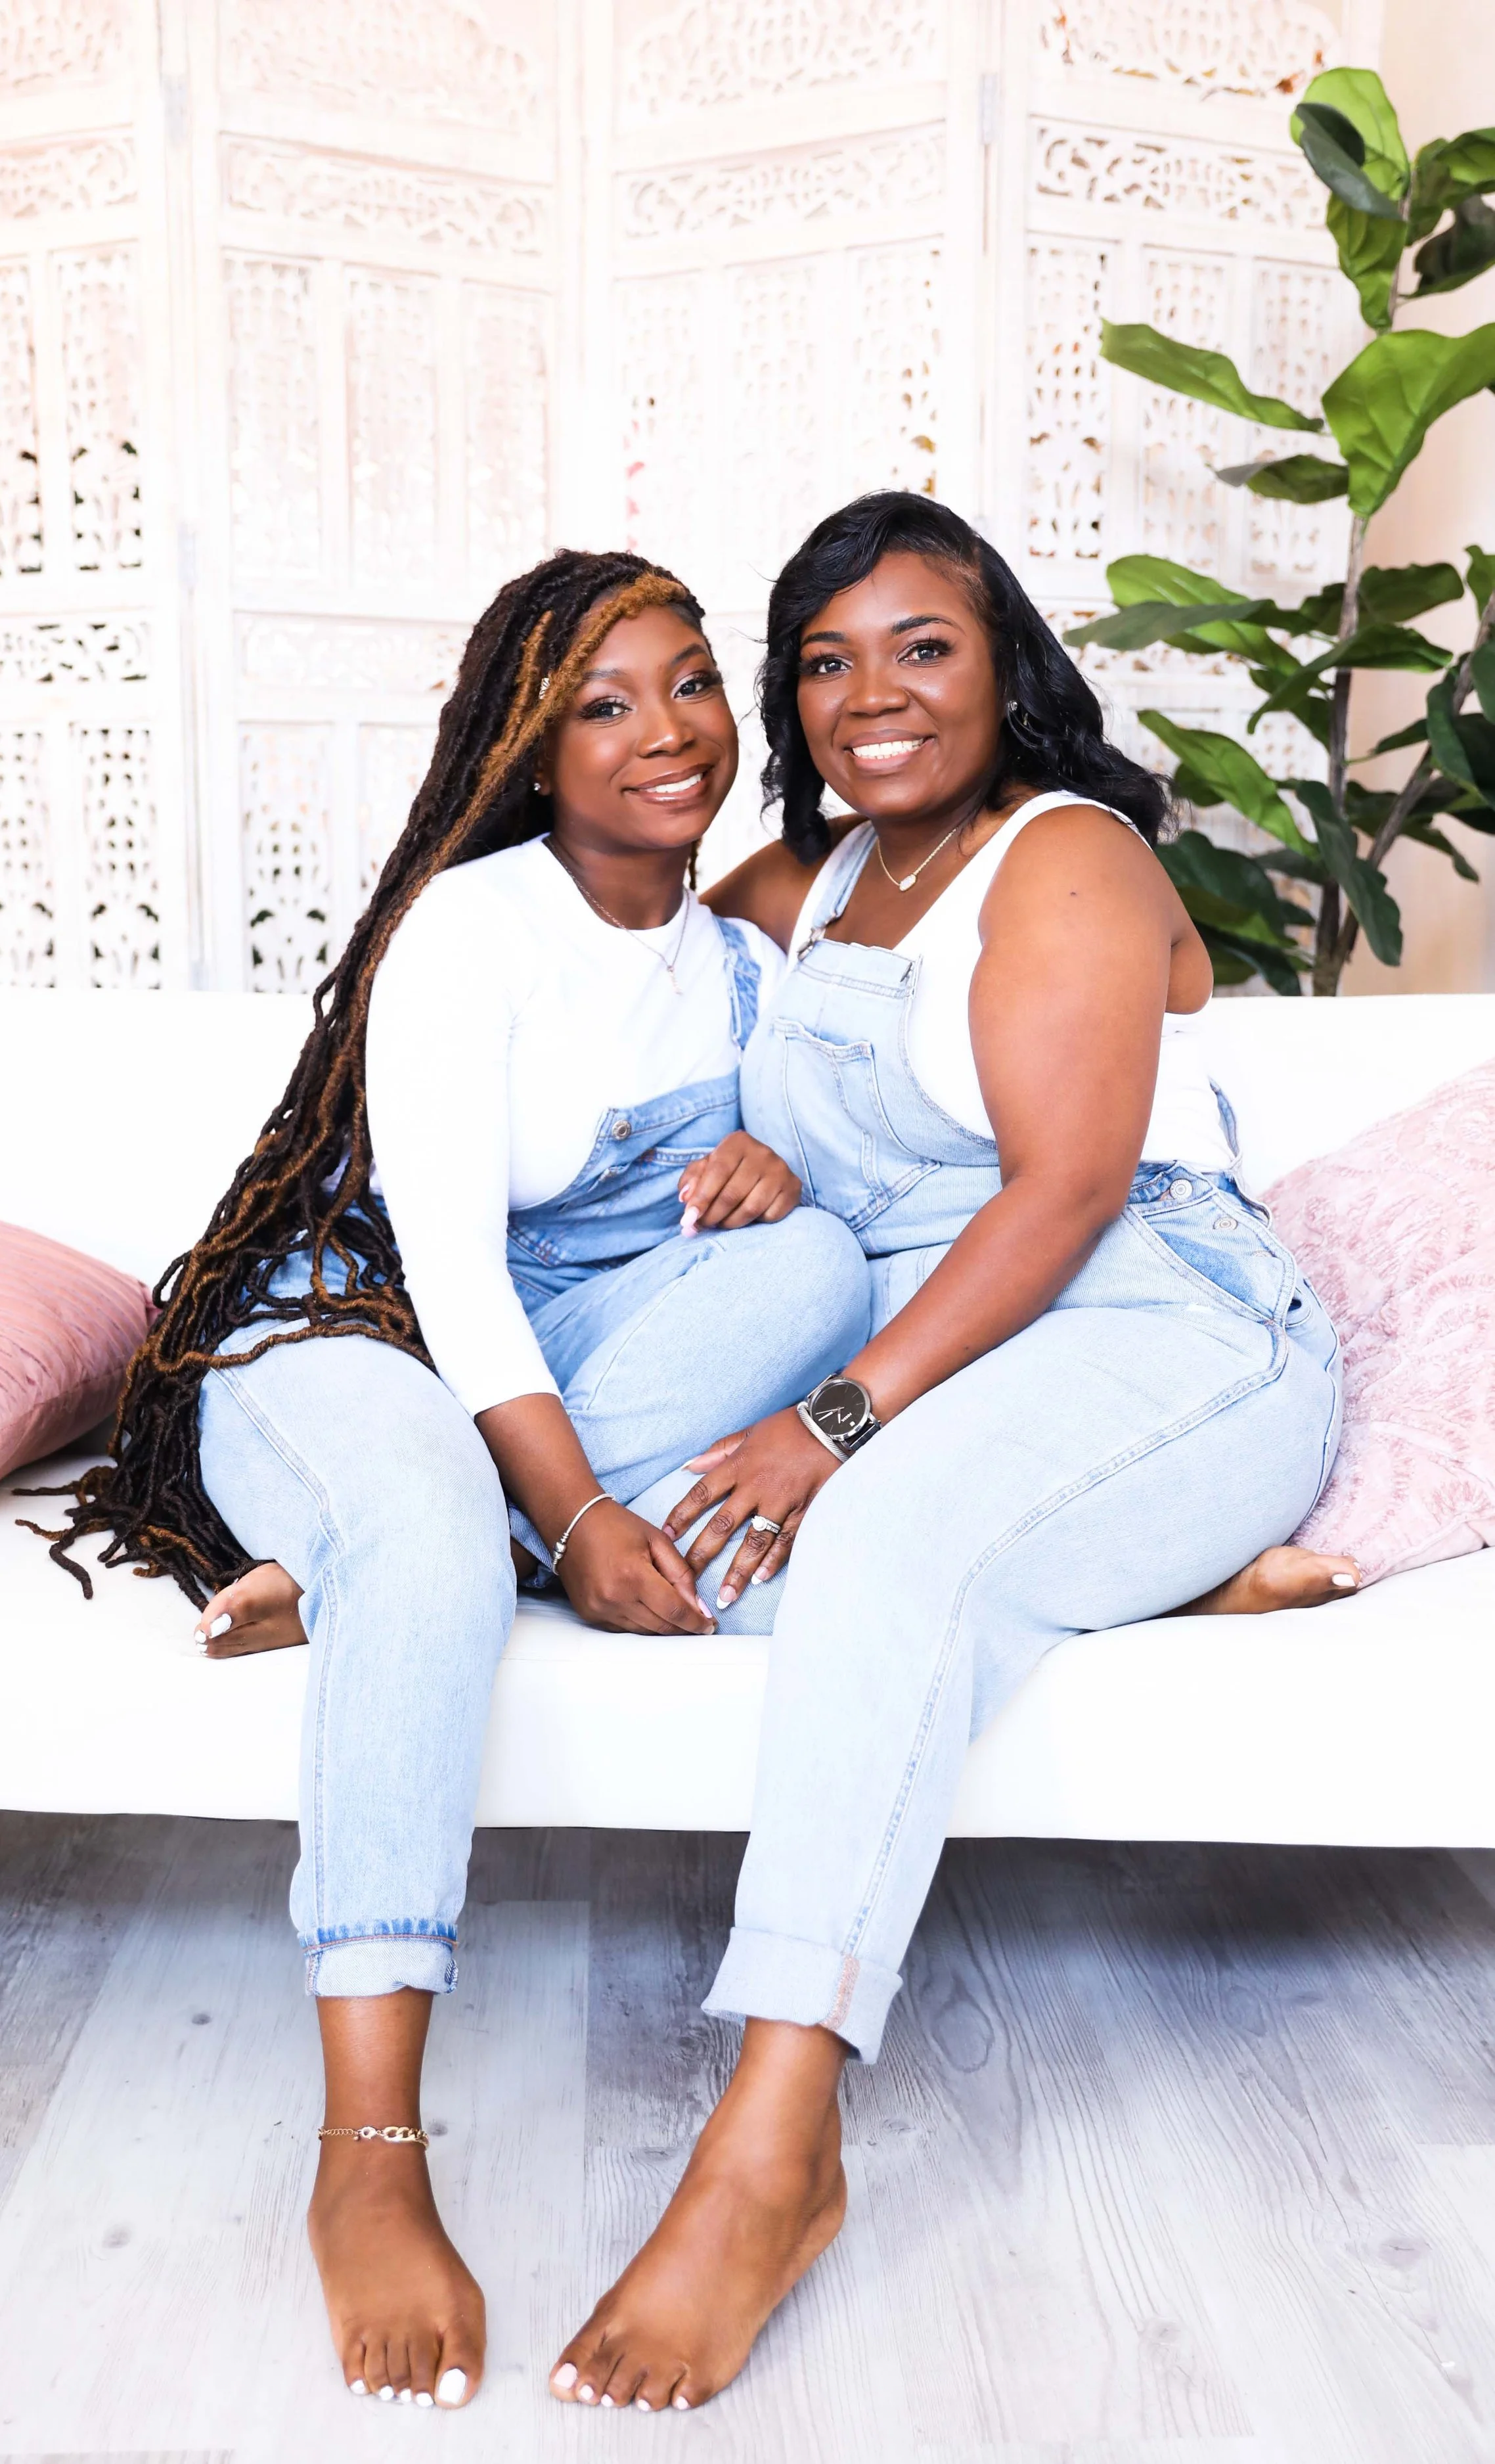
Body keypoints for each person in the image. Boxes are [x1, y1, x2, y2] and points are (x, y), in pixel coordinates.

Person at [29, 549, 870, 2413]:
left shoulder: (743, 959)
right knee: (428, 1519)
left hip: (568, 1348)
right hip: (344, 1325)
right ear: (526, 741)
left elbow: (1136, 969)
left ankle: (406, 1560)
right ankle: (367, 2154)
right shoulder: (470, 928)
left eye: (689, 683)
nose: (665, 730)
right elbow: (463, 1275)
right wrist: (575, 1516)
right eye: (601, 700)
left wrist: (770, 1174)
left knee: (820, 1272)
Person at [543, 492, 1348, 2415]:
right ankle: (1137, 1568)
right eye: (824, 659)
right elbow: (584, 906)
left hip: (1156, 1322)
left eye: (922, 646)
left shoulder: (1063, 859)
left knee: (883, 1549)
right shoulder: (808, 882)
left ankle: (773, 2137)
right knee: (658, 1539)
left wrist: (833, 1423)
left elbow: (1062, 1192)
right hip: (957, 1372)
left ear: (1004, 667)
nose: (870, 694)